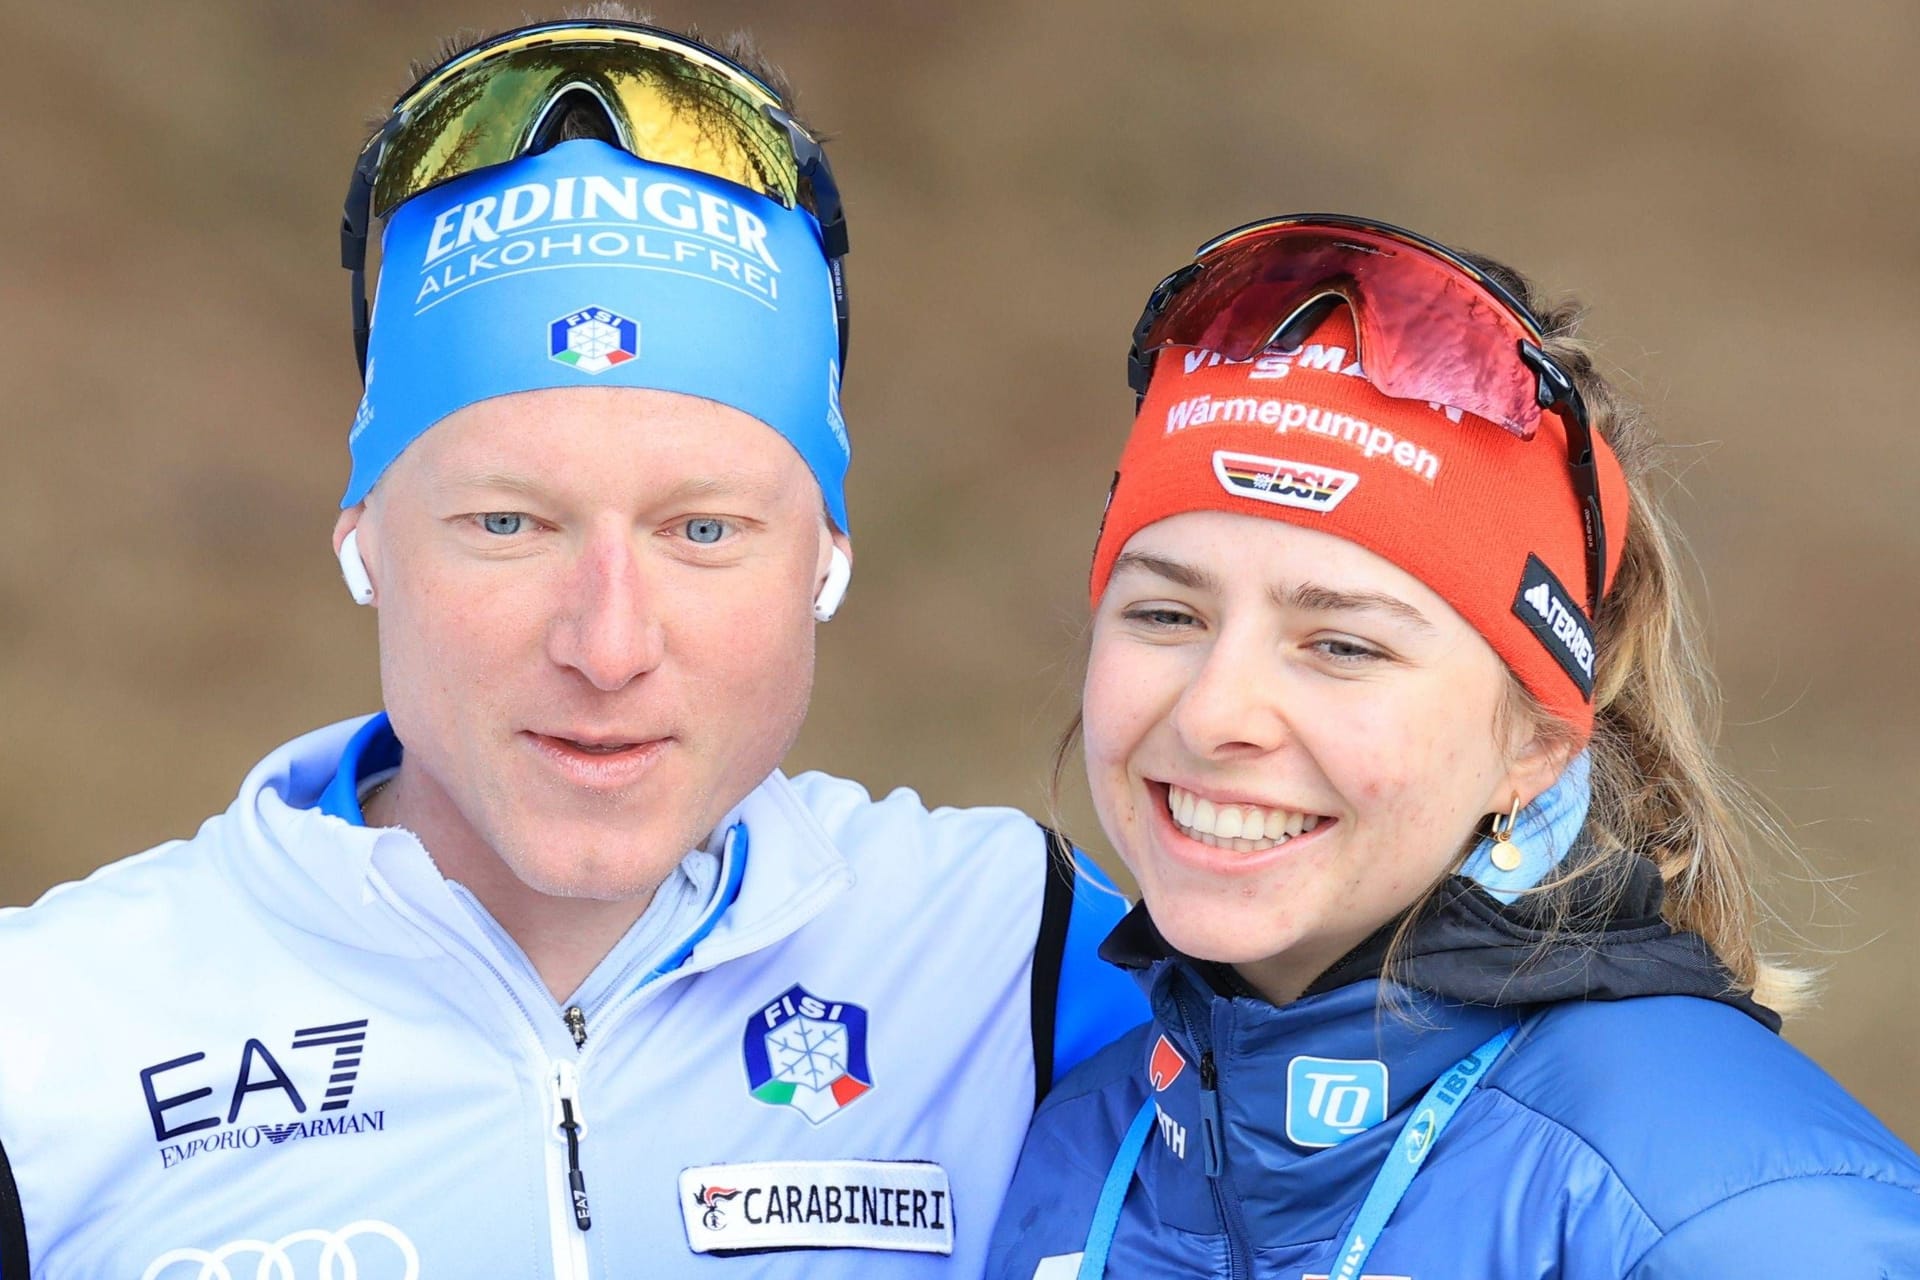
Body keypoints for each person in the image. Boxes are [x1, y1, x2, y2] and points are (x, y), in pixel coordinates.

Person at [0, 15, 1145, 1278]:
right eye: (508, 521)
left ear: (825, 555)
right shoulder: (49, 1042)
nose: (607, 645)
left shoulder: (1020, 961)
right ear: (365, 539)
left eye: (703, 528)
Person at [985, 214, 1920, 1278]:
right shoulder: (1073, 1143)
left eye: (1341, 643)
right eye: (1166, 615)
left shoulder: (1734, 1216)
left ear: (1536, 743)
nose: (1212, 713)